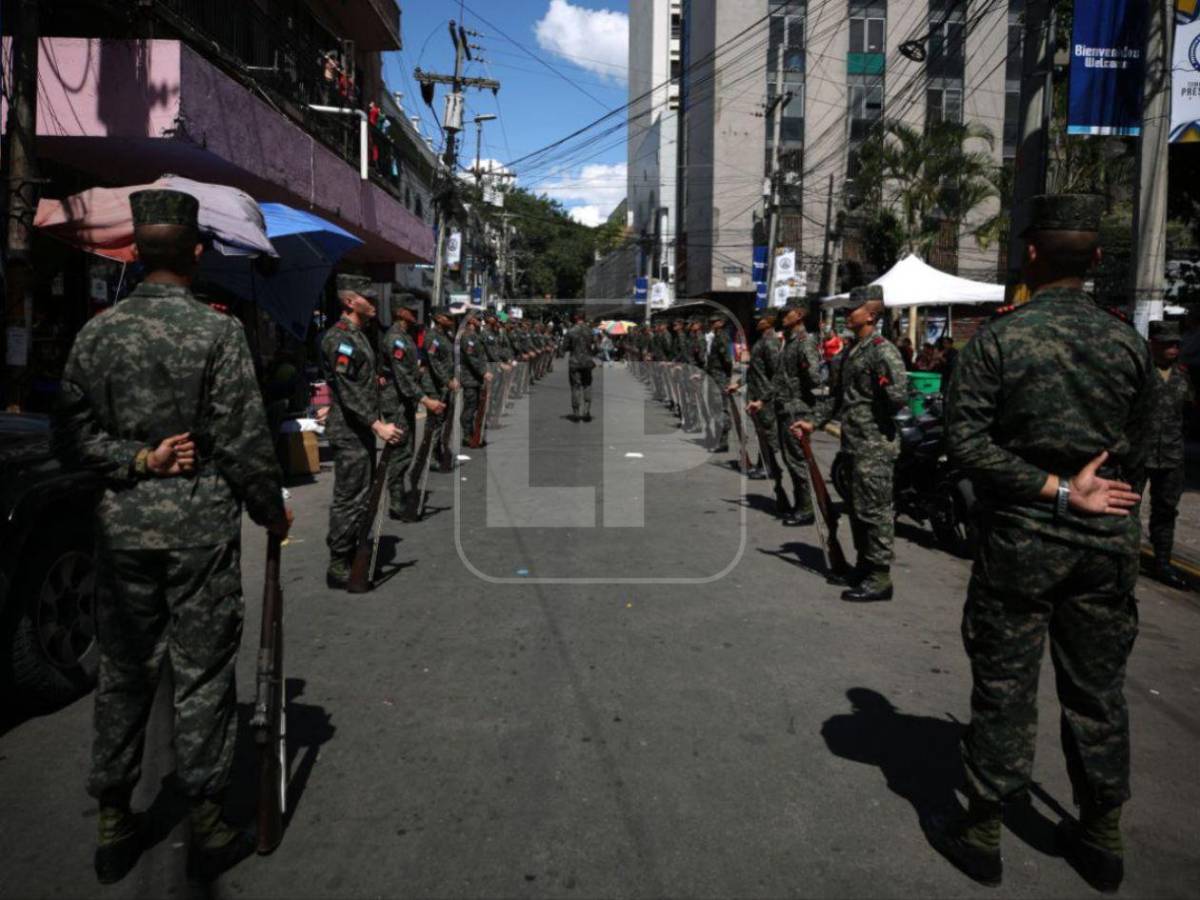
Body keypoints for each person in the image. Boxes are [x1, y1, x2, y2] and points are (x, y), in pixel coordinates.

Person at [53, 189, 293, 883]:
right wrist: (270, 509)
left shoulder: (97, 333)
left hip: (122, 530)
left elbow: (69, 438)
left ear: (134, 250)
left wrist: (134, 460)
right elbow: (245, 438)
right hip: (197, 532)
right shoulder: (216, 333)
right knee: (203, 673)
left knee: (125, 671)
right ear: (197, 253)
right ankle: (208, 819)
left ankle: (113, 816)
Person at [938, 195, 1153, 891]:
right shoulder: (1129, 345)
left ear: (1030, 254)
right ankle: (1101, 835)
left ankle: (983, 831)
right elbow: (1144, 451)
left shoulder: (998, 341)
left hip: (1022, 544)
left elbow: (965, 444)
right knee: (1098, 692)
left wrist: (1055, 489)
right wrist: (1093, 494)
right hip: (1105, 546)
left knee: (1006, 686)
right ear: (1097, 259)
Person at [794, 285, 908, 600]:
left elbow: (898, 397)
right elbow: (835, 397)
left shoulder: (883, 351)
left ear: (871, 315)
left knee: (875, 512)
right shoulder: (850, 351)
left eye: (852, 309)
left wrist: (873, 413)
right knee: (858, 510)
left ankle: (880, 577)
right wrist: (813, 421)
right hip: (853, 444)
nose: (847, 314)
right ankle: (863, 565)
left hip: (875, 446)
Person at [321, 275, 404, 588]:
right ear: (349, 301)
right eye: (367, 298)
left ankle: (353, 548)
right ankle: (338, 562)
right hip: (349, 431)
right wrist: (376, 423)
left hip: (358, 428)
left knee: (361, 494)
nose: (373, 303)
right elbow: (348, 388)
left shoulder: (359, 336)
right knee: (350, 498)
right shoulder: (340, 338)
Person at [379, 295, 444, 520]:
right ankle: (396, 502)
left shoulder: (405, 336)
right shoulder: (395, 338)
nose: (415, 313)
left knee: (406, 452)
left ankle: (399, 497)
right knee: (400, 454)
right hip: (396, 402)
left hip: (404, 401)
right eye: (411, 310)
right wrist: (425, 400)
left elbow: (409, 372)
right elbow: (402, 377)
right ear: (400, 312)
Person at [1143, 319, 1193, 589]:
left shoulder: (1183, 376)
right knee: (1126, 507)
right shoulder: (1141, 372)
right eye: (1167, 344)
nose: (1173, 349)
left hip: (1171, 454)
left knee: (1165, 511)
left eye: (1176, 344)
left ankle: (1162, 562)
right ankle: (1123, 558)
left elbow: (1190, 411)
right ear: (1153, 344)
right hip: (1140, 452)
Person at [769, 302, 821, 524]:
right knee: (791, 460)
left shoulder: (804, 342)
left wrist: (795, 390)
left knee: (798, 461)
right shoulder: (790, 342)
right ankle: (800, 504)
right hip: (785, 407)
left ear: (798, 315)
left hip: (796, 408)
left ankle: (807, 508)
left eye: (786, 313)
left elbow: (814, 377)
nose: (782, 317)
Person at [742, 310, 787, 506]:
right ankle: (764, 464)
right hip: (757, 393)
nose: (757, 321)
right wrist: (740, 383)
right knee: (762, 432)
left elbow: (776, 372)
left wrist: (766, 397)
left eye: (761, 319)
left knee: (768, 433)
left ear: (769, 321)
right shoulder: (763, 340)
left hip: (765, 396)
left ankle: (770, 467)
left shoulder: (770, 342)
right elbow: (756, 370)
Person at [424, 310, 459, 466]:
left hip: (446, 385)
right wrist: (447, 380)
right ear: (438, 318)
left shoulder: (447, 336)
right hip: (434, 385)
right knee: (434, 422)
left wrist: (454, 378)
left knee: (443, 421)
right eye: (448, 317)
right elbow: (434, 362)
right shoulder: (432, 337)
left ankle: (438, 452)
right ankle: (428, 457)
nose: (451, 320)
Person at [457, 312, 492, 445]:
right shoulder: (467, 337)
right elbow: (471, 358)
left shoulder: (475, 335)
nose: (480, 321)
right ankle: (467, 435)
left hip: (476, 378)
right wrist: (484, 372)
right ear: (471, 320)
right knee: (470, 407)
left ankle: (473, 433)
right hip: (469, 378)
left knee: (476, 406)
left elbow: (481, 356)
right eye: (478, 319)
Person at [704, 315, 734, 452]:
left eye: (714, 321)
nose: (711, 323)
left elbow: (727, 360)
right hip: (714, 376)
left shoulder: (722, 337)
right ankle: (719, 439)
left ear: (721, 322)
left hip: (720, 377)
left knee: (720, 409)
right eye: (710, 321)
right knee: (715, 408)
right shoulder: (717, 336)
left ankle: (723, 441)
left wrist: (726, 378)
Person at [564, 310, 597, 421]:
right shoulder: (590, 331)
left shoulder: (570, 331)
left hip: (575, 362)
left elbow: (564, 347)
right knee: (587, 385)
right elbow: (597, 347)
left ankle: (576, 412)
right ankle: (586, 410)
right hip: (587, 362)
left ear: (576, 317)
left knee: (575, 387)